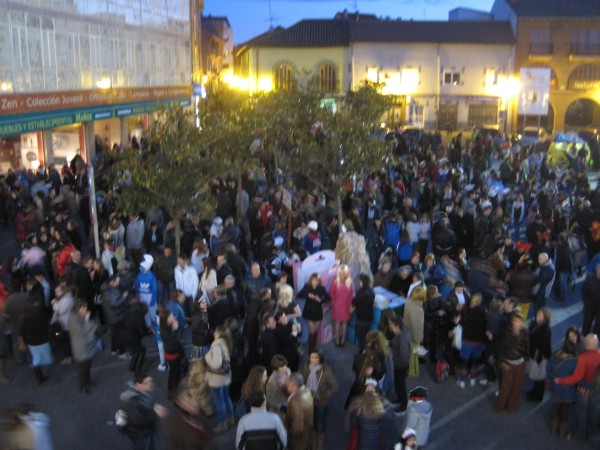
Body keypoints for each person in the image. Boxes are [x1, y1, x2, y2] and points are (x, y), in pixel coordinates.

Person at [554, 333, 600, 441]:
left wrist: (560, 380)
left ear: (586, 345)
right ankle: (593, 432)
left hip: (584, 389)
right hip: (597, 389)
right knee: (594, 411)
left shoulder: (583, 358)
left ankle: (581, 433)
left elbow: (577, 377)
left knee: (581, 412)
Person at [117, 371, 167, 450]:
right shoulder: (131, 402)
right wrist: (155, 412)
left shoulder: (144, 391)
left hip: (145, 430)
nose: (151, 384)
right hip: (141, 433)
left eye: (150, 381)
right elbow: (138, 421)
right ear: (138, 385)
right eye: (146, 383)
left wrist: (154, 406)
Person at [302, 348, 339, 450]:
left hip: (321, 401)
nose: (313, 359)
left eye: (316, 357)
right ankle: (312, 445)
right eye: (311, 357)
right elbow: (303, 380)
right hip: (308, 399)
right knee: (311, 423)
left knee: (319, 424)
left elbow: (335, 387)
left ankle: (319, 446)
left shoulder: (326, 371)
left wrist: (323, 395)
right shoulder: (306, 367)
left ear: (320, 358)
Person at [547, 327, 580, 438]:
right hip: (569, 392)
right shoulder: (575, 362)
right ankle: (562, 433)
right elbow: (577, 377)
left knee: (556, 408)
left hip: (556, 389)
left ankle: (553, 428)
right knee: (565, 413)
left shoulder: (555, 356)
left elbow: (549, 370)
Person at [495, 312, 528, 413]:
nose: (518, 323)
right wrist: (502, 362)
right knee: (505, 387)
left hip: (520, 363)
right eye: (516, 321)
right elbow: (499, 349)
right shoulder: (506, 333)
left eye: (520, 321)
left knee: (517, 387)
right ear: (512, 322)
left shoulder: (524, 333)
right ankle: (499, 407)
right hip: (508, 363)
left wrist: (526, 358)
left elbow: (527, 347)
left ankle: (511, 407)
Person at [205, 325, 234, 433]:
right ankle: (231, 418)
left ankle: (222, 424)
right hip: (225, 378)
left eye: (216, 332)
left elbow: (216, 364)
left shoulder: (216, 346)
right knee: (226, 397)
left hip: (216, 380)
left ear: (220, 334)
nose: (214, 333)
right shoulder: (225, 343)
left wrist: (207, 357)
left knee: (219, 401)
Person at [68, 300, 97, 394]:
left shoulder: (80, 316)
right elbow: (82, 331)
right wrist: (87, 320)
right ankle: (83, 386)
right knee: (83, 368)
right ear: (77, 309)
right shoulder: (73, 319)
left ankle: (87, 381)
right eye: (83, 308)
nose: (86, 310)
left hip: (87, 344)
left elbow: (93, 326)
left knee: (88, 365)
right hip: (81, 347)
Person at [297, 273, 330, 353]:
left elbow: (328, 298)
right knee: (312, 330)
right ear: (310, 280)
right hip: (309, 311)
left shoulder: (321, 288)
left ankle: (314, 348)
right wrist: (308, 295)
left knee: (316, 330)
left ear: (318, 281)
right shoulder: (307, 287)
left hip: (318, 311)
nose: (315, 282)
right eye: (313, 280)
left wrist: (320, 300)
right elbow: (298, 295)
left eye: (316, 280)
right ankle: (310, 349)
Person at [526, 307, 552, 402]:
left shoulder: (546, 329)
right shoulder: (536, 324)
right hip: (535, 354)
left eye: (540, 314)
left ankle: (538, 397)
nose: (537, 315)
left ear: (545, 317)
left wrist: (538, 358)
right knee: (536, 376)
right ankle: (534, 392)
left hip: (540, 357)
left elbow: (544, 346)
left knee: (540, 378)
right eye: (538, 314)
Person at [285, 372, 314, 450]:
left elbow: (297, 426)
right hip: (307, 437)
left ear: (295, 385)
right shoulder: (307, 391)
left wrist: (288, 437)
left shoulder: (296, 400)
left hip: (298, 443)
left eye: (288, 383)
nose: (286, 385)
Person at [100, 274, 128, 357]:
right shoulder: (109, 292)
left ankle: (114, 349)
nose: (118, 283)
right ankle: (122, 352)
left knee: (115, 334)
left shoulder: (108, 289)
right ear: (112, 282)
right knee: (120, 334)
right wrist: (123, 297)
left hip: (113, 316)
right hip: (116, 316)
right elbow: (114, 303)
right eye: (117, 281)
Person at [159, 309, 184, 399]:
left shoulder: (167, 327)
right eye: (170, 316)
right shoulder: (165, 331)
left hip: (174, 353)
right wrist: (176, 330)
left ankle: (172, 389)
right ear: (166, 320)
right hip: (172, 355)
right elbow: (176, 341)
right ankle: (172, 392)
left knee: (174, 373)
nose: (173, 317)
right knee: (174, 374)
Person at [329, 264, 355, 347]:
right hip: (337, 306)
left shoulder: (350, 282)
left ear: (346, 273)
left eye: (343, 273)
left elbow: (352, 294)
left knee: (344, 324)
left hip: (347, 306)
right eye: (340, 273)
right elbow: (331, 294)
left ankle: (343, 340)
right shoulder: (335, 282)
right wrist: (333, 304)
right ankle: (337, 340)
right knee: (337, 323)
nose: (342, 275)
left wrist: (352, 306)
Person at [389, 315, 411, 411]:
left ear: (397, 325)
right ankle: (399, 400)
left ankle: (403, 404)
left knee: (401, 384)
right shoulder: (400, 333)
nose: (390, 326)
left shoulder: (402, 337)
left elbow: (404, 354)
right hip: (399, 364)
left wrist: (393, 354)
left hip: (401, 365)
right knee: (398, 384)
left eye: (391, 325)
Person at [352, 274, 375, 349]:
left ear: (362, 282)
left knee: (360, 336)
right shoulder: (371, 291)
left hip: (361, 318)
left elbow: (354, 301)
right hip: (369, 317)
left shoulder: (360, 292)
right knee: (366, 335)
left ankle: (363, 350)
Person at [266, 354, 290, 422]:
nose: (285, 368)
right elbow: (269, 400)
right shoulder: (271, 381)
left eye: (285, 365)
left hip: (288, 405)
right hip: (278, 412)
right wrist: (281, 407)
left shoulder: (288, 371)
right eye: (282, 367)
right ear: (276, 368)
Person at [174, 253, 199, 318]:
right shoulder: (176, 269)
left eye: (180, 260)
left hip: (190, 294)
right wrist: (178, 292)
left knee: (192, 310)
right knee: (184, 310)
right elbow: (177, 281)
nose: (178, 261)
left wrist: (194, 294)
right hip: (182, 294)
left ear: (184, 260)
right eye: (178, 260)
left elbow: (196, 282)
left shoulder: (191, 269)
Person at [136, 254, 157, 329]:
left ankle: (155, 324)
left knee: (152, 313)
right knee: (145, 313)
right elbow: (137, 286)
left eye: (142, 267)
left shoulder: (151, 276)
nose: (140, 268)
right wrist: (138, 295)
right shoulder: (139, 275)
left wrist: (153, 301)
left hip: (149, 296)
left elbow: (154, 290)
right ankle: (148, 326)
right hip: (142, 296)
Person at [582, 263, 600, 336]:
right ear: (596, 271)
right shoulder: (590, 280)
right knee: (587, 321)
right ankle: (585, 334)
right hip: (590, 306)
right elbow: (583, 291)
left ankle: (595, 335)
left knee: (598, 323)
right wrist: (587, 301)